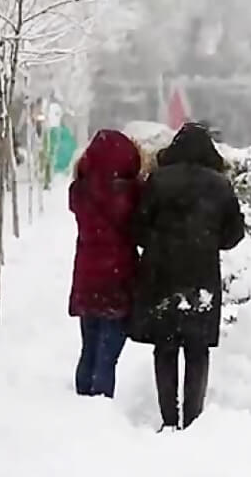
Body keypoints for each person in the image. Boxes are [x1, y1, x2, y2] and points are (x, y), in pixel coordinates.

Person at [129, 123, 245, 432]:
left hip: (161, 274)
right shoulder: (220, 185)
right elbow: (234, 234)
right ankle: (193, 420)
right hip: (201, 275)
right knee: (197, 348)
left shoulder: (158, 181)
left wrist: (158, 241)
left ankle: (168, 418)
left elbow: (137, 227)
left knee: (165, 347)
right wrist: (207, 239)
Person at [68, 129, 143, 398]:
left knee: (88, 347)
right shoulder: (131, 194)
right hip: (117, 278)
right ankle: (99, 406)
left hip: (87, 277)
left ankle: (82, 399)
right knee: (108, 355)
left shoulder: (80, 191)